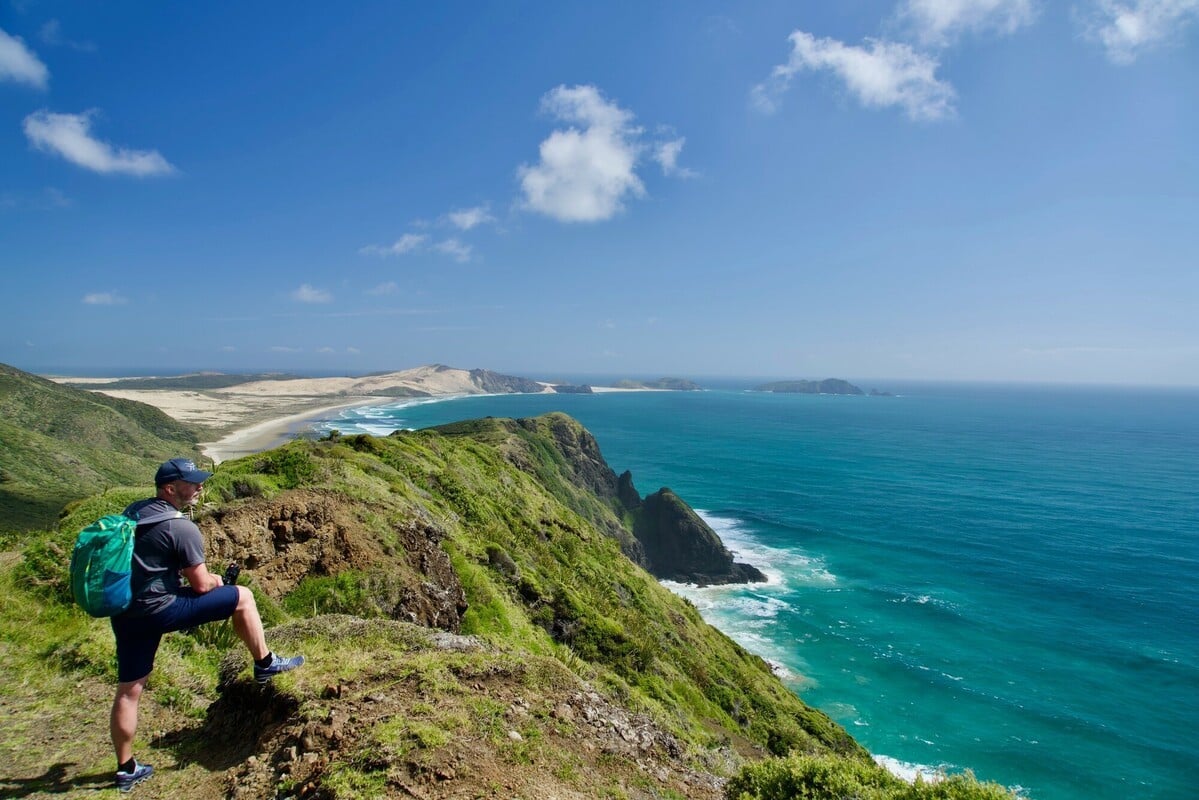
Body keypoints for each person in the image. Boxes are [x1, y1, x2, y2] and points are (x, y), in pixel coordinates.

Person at [109, 457, 304, 792]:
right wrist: (216, 579)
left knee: (129, 690)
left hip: (127, 611)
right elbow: (200, 585)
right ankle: (266, 664)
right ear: (170, 488)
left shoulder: (134, 512)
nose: (200, 487)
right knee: (241, 596)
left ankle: (126, 768)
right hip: (162, 608)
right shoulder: (180, 527)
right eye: (192, 483)